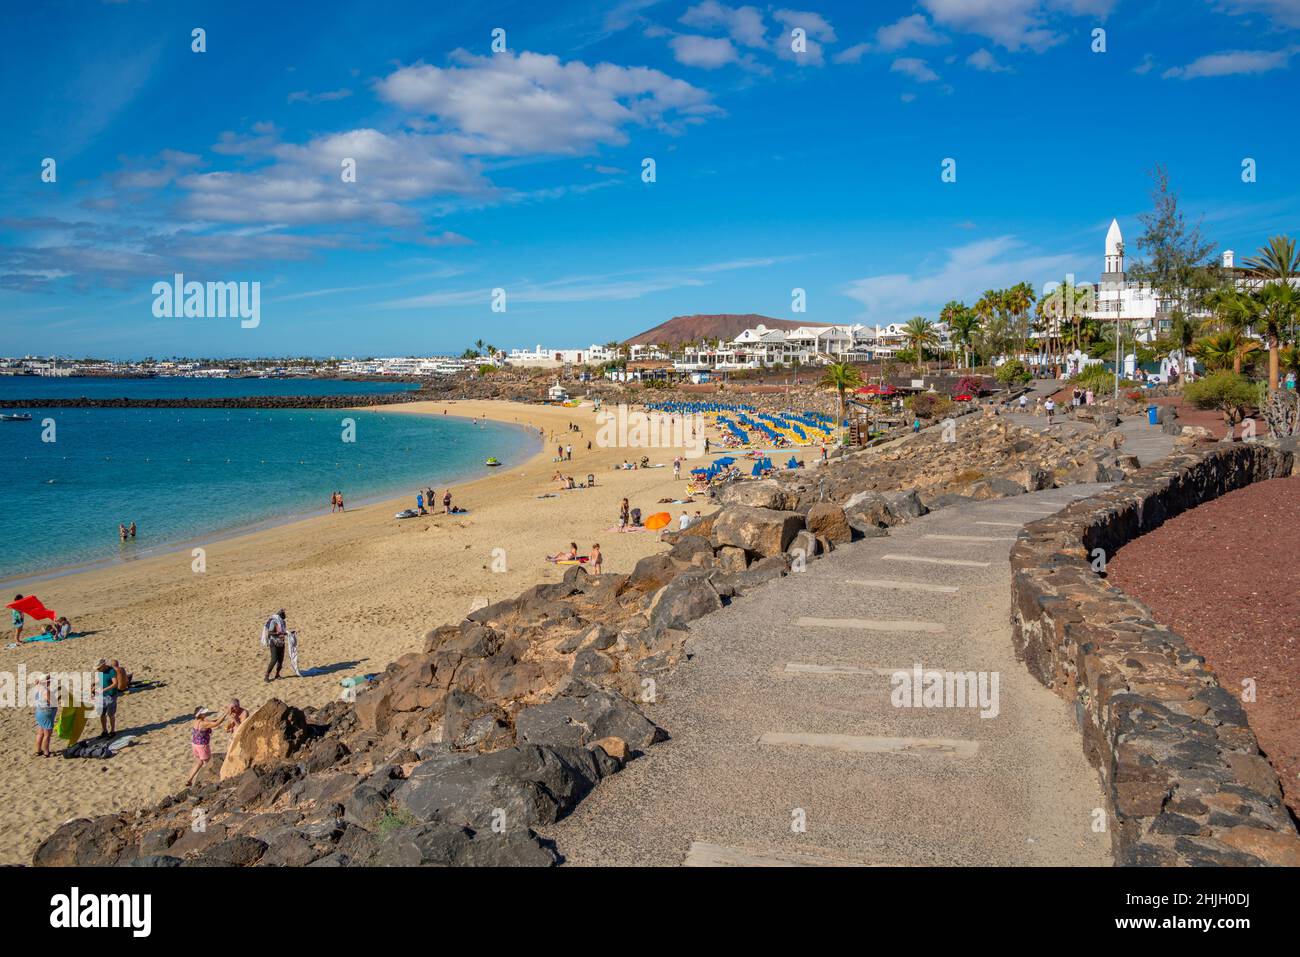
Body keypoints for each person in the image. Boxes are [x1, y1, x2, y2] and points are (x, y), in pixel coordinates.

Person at [186, 706, 229, 787]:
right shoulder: (203, 723)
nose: (206, 713)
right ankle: (206, 780)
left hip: (195, 744)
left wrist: (222, 718)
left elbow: (212, 722)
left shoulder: (196, 721)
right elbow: (216, 724)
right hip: (202, 746)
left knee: (199, 762)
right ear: (201, 715)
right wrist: (226, 714)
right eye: (204, 713)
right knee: (208, 763)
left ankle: (189, 779)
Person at [94, 658, 123, 738]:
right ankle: (104, 731)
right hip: (102, 696)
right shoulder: (100, 672)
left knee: (111, 714)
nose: (98, 670)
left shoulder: (111, 671)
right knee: (102, 714)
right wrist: (94, 688)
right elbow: (99, 681)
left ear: (103, 665)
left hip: (111, 695)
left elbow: (115, 683)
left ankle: (113, 731)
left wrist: (103, 690)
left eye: (99, 668)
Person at [262, 609, 288, 682]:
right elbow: (270, 633)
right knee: (274, 659)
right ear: (280, 615)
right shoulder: (274, 622)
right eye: (283, 614)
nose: (285, 615)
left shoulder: (283, 622)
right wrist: (278, 633)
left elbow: (283, 632)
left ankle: (277, 674)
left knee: (280, 660)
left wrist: (288, 633)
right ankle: (266, 676)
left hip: (281, 642)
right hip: (274, 643)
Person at [33, 673, 54, 758]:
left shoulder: (37, 688)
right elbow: (51, 702)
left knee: (40, 733)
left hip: (38, 712)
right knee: (47, 734)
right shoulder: (46, 691)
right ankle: (46, 752)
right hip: (46, 714)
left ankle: (38, 751)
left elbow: (36, 682)